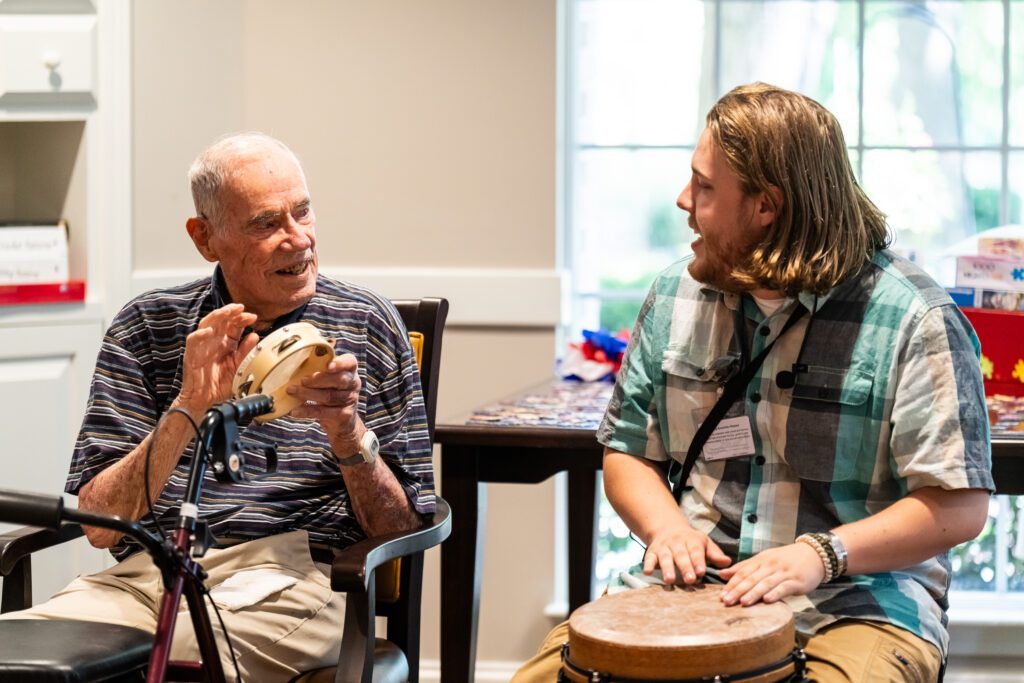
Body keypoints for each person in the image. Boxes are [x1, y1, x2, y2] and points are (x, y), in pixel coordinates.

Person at [512, 83, 993, 682]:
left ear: (766, 206)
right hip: (687, 592)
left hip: (858, 605)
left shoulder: (915, 317)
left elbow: (958, 506)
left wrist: (822, 554)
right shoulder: (673, 296)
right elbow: (628, 453)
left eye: (706, 187)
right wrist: (667, 528)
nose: (684, 199)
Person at [0, 132, 435, 681]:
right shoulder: (148, 327)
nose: (297, 239)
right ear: (205, 238)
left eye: (302, 212)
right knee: (20, 658)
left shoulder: (367, 324)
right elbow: (103, 527)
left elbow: (403, 527)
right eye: (265, 223)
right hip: (151, 574)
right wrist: (190, 404)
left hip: (306, 578)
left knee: (171, 654)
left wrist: (347, 434)